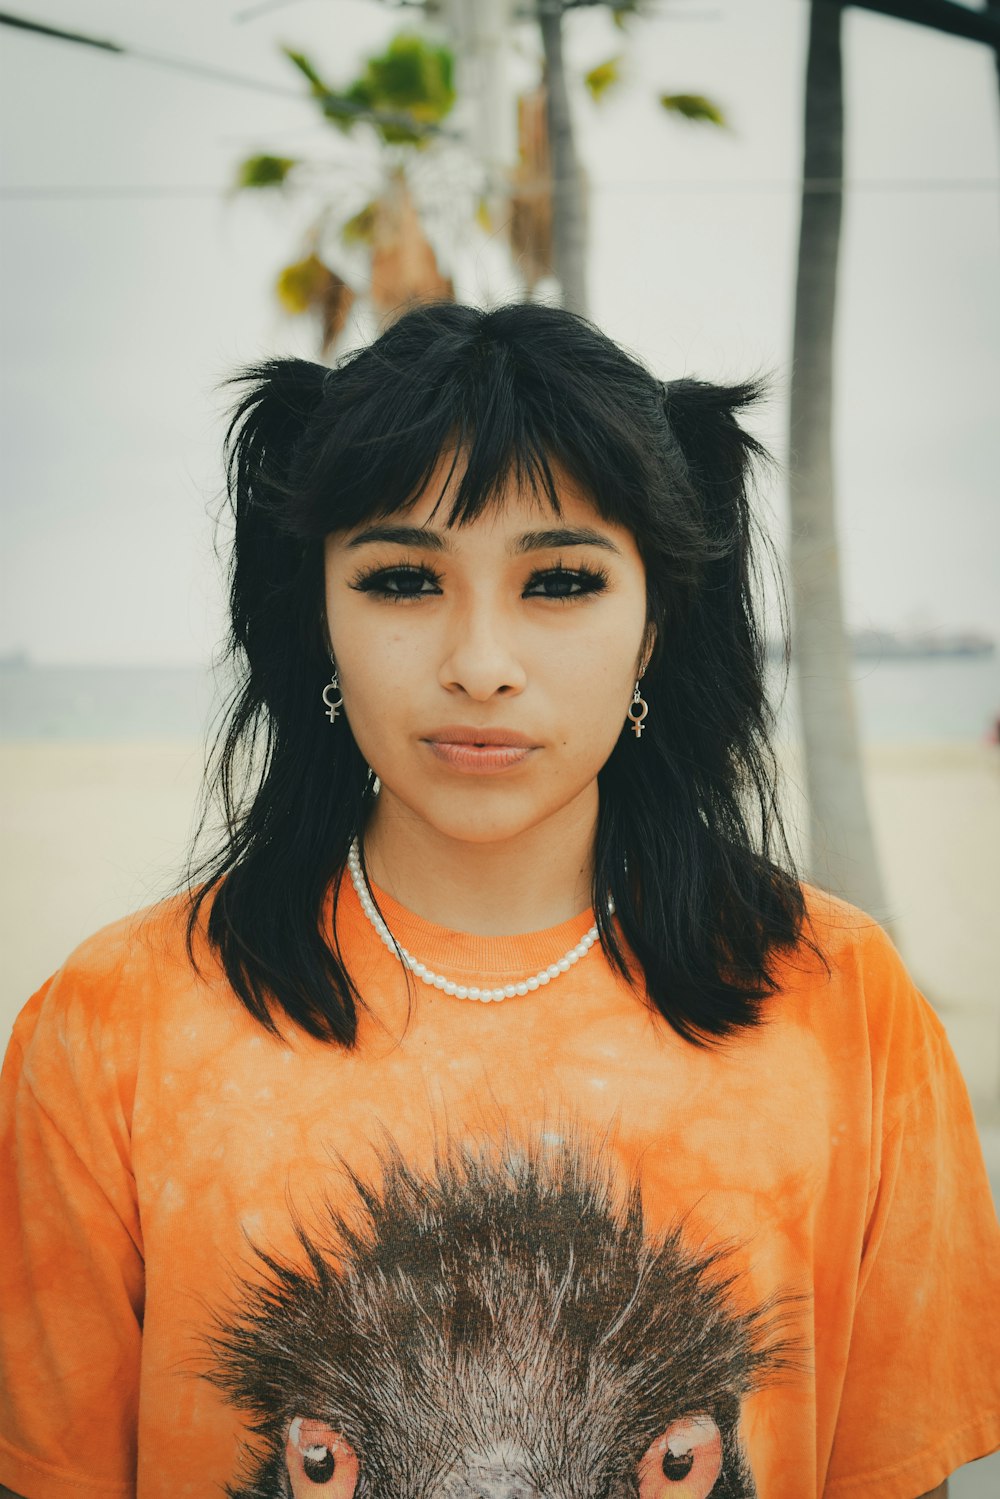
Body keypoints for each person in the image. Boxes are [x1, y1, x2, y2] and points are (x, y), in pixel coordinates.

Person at [0, 302, 997, 1499]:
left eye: (561, 579)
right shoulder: (110, 1026)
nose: (479, 659)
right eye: (404, 577)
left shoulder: (843, 1001)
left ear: (656, 620)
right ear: (319, 613)